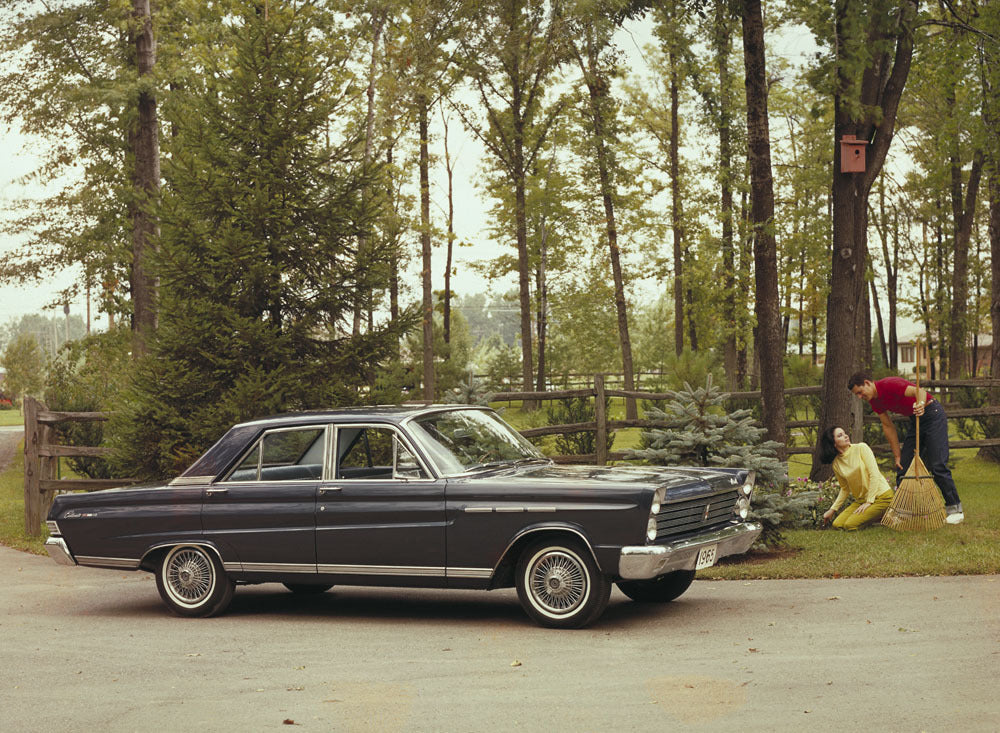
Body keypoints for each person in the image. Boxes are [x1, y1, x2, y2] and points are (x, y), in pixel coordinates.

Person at [847, 371, 964, 524]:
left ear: (867, 383)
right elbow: (888, 426)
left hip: (932, 413)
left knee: (937, 465)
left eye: (860, 393)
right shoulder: (875, 401)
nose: (860, 397)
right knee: (903, 466)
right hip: (916, 419)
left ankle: (955, 509)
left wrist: (920, 404)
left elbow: (919, 391)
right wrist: (897, 455)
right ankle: (903, 512)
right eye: (857, 395)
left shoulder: (889, 384)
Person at [819, 426, 895, 530]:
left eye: (844, 433)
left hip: (882, 497)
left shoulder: (861, 448)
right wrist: (832, 510)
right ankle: (875, 516)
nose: (846, 436)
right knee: (838, 524)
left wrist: (869, 502)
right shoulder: (836, 463)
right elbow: (845, 489)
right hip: (861, 500)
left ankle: (881, 515)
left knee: (849, 525)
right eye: (840, 435)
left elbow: (874, 474)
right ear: (834, 443)